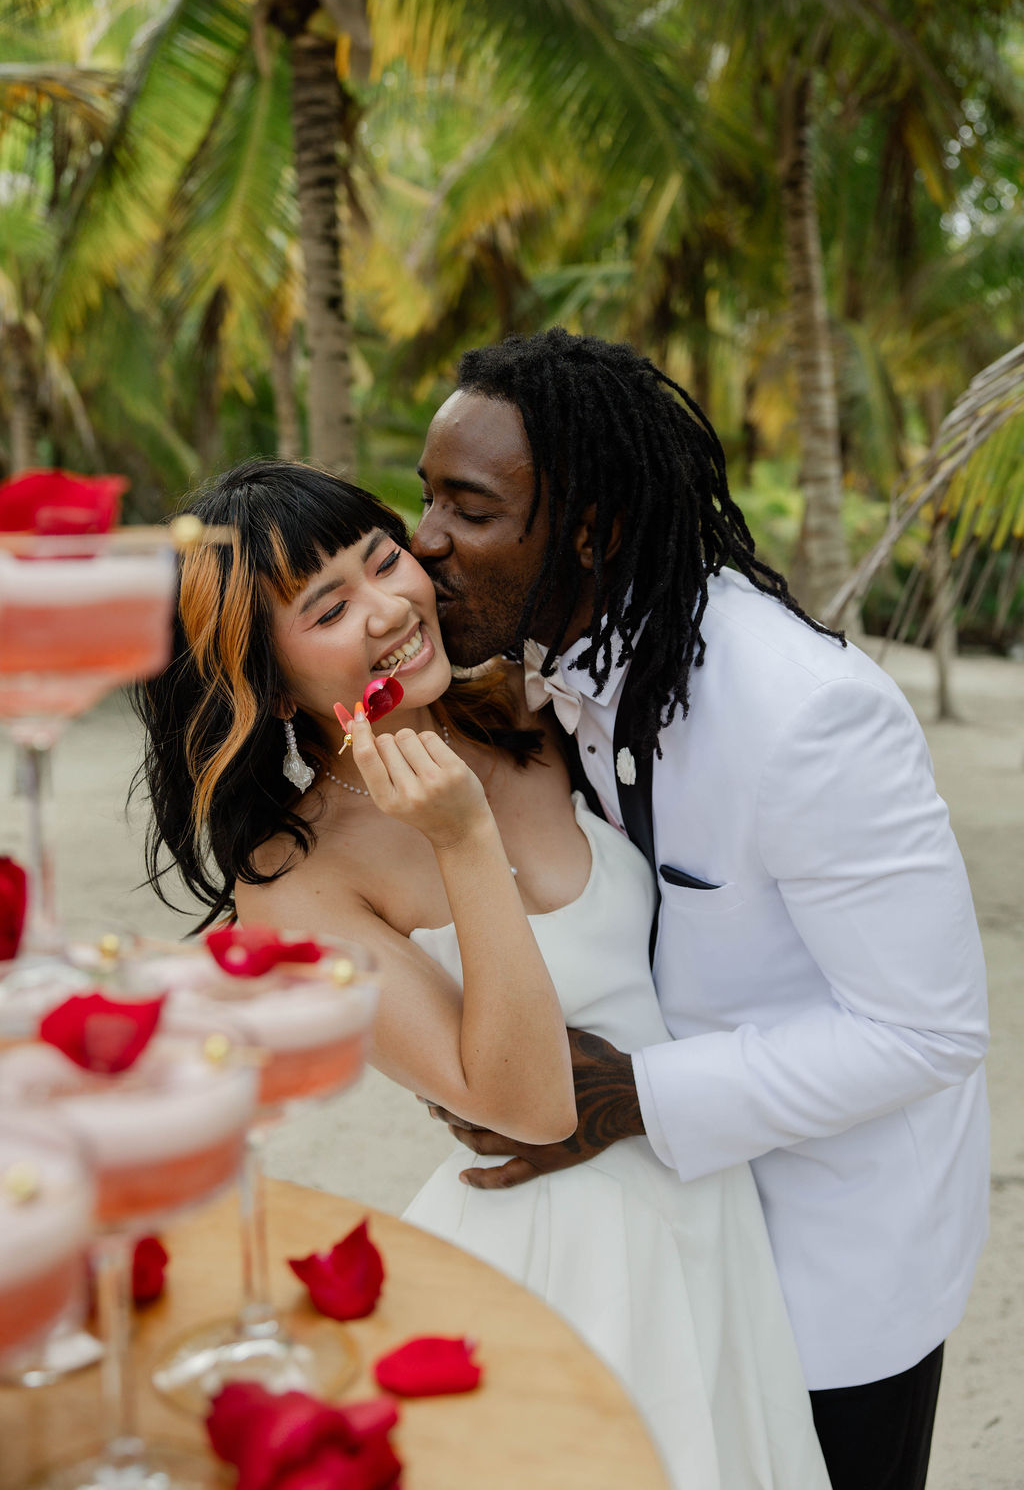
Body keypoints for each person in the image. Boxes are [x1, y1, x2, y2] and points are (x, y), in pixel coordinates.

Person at [135, 459, 830, 1490]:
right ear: (270, 682)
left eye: (384, 562)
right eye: (330, 608)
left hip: (709, 1207)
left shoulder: (531, 709)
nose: (388, 608)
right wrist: (463, 843)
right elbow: (529, 1105)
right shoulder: (296, 881)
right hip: (560, 1253)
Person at [409, 328, 990, 1490]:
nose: (423, 542)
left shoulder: (805, 714)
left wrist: (629, 1097)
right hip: (656, 1242)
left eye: (467, 510)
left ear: (591, 530)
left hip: (823, 1261)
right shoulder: (535, 673)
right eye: (426, 498)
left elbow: (927, 1030)